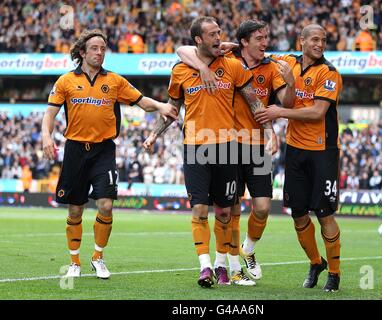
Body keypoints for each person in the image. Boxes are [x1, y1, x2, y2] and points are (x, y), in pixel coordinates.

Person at [143, 16, 277, 288]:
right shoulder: (180, 70)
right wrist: (154, 134)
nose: (218, 37)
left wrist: (269, 129)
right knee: (200, 209)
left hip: (227, 148)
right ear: (198, 40)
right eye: (212, 34)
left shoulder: (232, 66)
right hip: (195, 148)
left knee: (225, 212)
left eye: (220, 33)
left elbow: (254, 101)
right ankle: (205, 267)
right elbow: (172, 109)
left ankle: (221, 265)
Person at [41, 29, 178, 279]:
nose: (100, 52)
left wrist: (160, 105)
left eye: (103, 48)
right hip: (75, 150)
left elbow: (141, 101)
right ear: (82, 52)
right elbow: (49, 114)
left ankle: (98, 257)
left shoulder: (114, 81)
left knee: (105, 204)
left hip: (104, 150)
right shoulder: (65, 81)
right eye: (94, 48)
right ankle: (74, 262)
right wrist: (46, 136)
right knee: (75, 210)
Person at [175, 19, 295, 285]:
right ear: (244, 42)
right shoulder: (226, 54)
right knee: (230, 209)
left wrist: (271, 127)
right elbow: (183, 49)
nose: (265, 42)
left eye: (266, 37)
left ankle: (248, 250)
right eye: (260, 38)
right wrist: (203, 67)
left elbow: (284, 101)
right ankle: (228, 267)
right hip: (228, 142)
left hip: (254, 142)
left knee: (262, 207)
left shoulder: (273, 65)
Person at [255, 24, 343, 292]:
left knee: (324, 213)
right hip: (294, 150)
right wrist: (231, 47)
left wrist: (279, 113)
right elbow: (260, 54)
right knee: (298, 214)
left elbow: (317, 112)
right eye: (315, 39)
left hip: (322, 152)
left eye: (324, 40)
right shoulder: (288, 62)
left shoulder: (329, 73)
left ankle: (335, 274)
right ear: (301, 40)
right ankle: (316, 263)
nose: (320, 44)